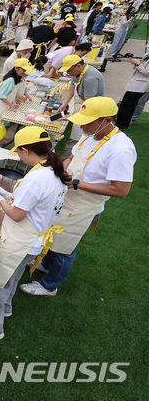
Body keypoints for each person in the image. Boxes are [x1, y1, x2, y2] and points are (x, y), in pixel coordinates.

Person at [20, 98, 135, 297]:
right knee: (53, 233)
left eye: (87, 121)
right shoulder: (90, 134)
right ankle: (46, 264)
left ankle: (50, 286)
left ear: (107, 120)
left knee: (66, 246)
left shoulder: (121, 149)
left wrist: (77, 184)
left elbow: (121, 190)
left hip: (85, 204)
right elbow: (73, 157)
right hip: (69, 193)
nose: (82, 125)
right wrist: (58, 171)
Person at [0, 126, 69, 340]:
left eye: (19, 152)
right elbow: (33, 202)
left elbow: (17, 214)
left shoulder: (37, 177)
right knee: (12, 277)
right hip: (36, 238)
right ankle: (5, 308)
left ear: (26, 151)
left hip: (22, 239)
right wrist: (8, 193)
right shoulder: (53, 169)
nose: (19, 157)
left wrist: (1, 200)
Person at [56, 55, 105, 130]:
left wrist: (73, 117)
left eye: (68, 70)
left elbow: (88, 103)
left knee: (84, 128)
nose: (68, 73)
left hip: (92, 105)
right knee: (77, 126)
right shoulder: (77, 72)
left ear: (78, 66)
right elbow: (71, 88)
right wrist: (64, 104)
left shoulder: (90, 78)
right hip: (83, 98)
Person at [0, 58, 33, 125]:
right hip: (2, 106)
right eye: (23, 70)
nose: (25, 72)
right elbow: (1, 96)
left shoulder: (18, 77)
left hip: (7, 105)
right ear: (16, 68)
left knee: (2, 125)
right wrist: (12, 104)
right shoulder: (10, 80)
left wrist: (17, 97)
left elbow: (13, 90)